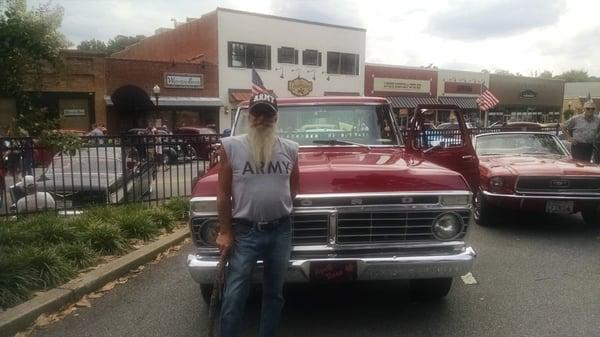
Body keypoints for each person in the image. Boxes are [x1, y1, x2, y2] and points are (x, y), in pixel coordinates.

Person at [216, 92, 300, 337]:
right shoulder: (231, 147)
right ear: (249, 116)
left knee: (274, 295)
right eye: (257, 114)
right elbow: (222, 194)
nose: (262, 119)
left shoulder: (291, 149)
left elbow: (294, 188)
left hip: (281, 231)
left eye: (268, 114)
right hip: (245, 232)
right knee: (234, 295)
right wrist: (224, 231)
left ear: (276, 118)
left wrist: (276, 206)